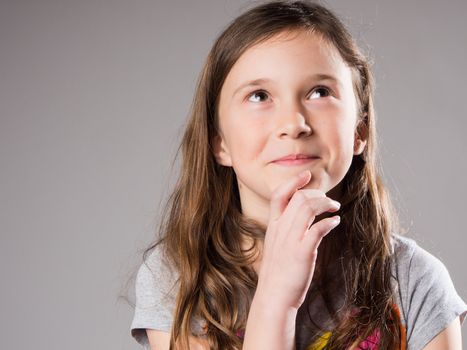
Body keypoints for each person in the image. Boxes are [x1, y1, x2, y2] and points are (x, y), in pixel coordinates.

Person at [130, 1, 467, 349]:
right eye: (259, 96)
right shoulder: (178, 276)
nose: (293, 124)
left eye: (320, 92)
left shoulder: (414, 281)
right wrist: (276, 299)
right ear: (219, 142)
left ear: (359, 131)